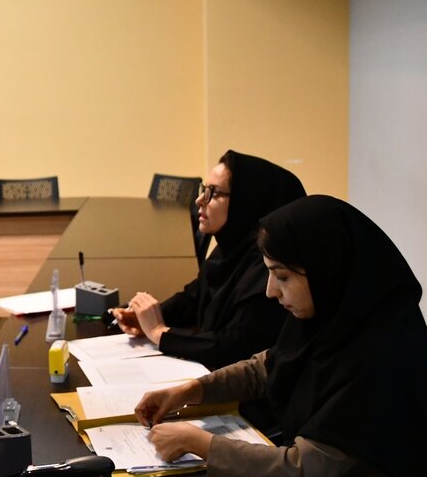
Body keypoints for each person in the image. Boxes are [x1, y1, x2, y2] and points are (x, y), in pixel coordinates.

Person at [135, 195, 427, 477]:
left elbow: (300, 472)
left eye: (282, 276)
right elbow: (268, 367)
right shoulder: (337, 316)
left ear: (326, 267)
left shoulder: (383, 355)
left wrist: (199, 443)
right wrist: (192, 389)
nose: (270, 290)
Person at [111, 150, 305, 369]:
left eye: (214, 193)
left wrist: (160, 333)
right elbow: (194, 297)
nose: (199, 200)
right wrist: (144, 317)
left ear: (246, 202)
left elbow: (232, 347)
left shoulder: (267, 268)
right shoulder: (230, 249)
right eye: (204, 189)